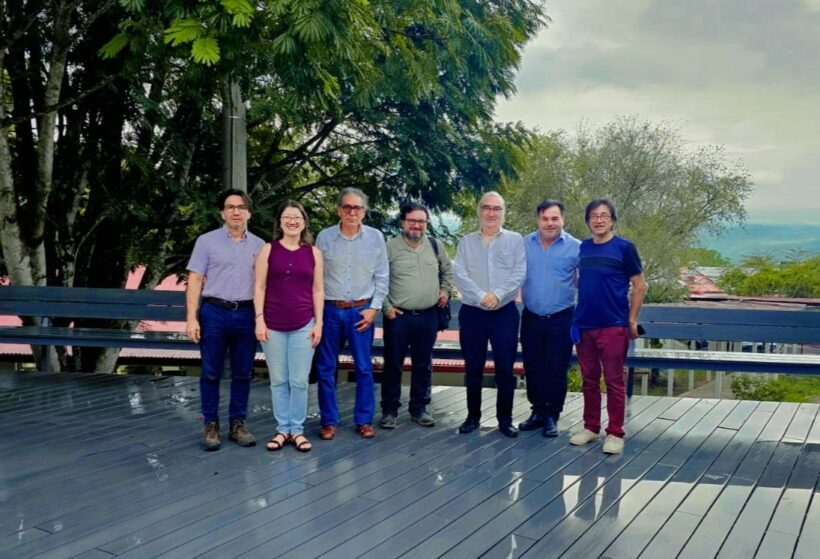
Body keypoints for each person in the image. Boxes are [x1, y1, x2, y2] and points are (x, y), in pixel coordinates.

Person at [186, 189, 265, 451]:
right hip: (214, 313)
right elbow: (195, 280)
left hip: (246, 313)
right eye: (230, 207)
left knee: (243, 372)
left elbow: (264, 285)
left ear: (249, 213)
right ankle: (211, 424)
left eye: (241, 207)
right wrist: (191, 318)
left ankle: (237, 423)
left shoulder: (260, 246)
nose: (236, 212)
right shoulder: (206, 242)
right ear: (222, 213)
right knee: (210, 372)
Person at [569, 198, 647, 454]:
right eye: (594, 215)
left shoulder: (625, 248)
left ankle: (615, 432)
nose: (599, 219)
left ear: (612, 220)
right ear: (588, 221)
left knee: (613, 381)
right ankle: (591, 428)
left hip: (613, 325)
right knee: (589, 379)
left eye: (604, 215)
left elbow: (640, 285)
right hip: (584, 324)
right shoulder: (583, 248)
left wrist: (632, 319)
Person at [314, 187, 389, 440]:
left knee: (364, 367)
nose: (352, 212)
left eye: (357, 207)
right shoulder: (324, 237)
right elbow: (317, 278)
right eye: (347, 207)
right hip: (330, 310)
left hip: (361, 311)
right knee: (326, 367)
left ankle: (364, 420)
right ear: (339, 210)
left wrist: (374, 308)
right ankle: (328, 421)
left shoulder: (375, 238)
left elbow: (382, 276)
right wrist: (318, 314)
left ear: (364, 212)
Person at [454, 191, 526, 438]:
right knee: (473, 367)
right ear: (479, 211)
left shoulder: (515, 241)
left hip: (504, 313)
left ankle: (505, 419)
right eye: (486, 207)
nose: (491, 213)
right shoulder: (466, 242)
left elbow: (519, 273)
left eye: (497, 208)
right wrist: (481, 296)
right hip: (473, 313)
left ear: (503, 213)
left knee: (505, 368)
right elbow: (460, 274)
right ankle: (472, 417)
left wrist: (497, 294)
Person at [254, 201, 324, 453]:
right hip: (272, 324)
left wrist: (319, 323)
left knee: (299, 381)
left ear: (304, 222)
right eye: (287, 216)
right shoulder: (267, 250)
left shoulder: (313, 253)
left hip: (304, 324)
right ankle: (282, 429)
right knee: (278, 380)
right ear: (280, 222)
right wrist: (259, 319)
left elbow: (318, 290)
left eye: (297, 217)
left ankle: (297, 430)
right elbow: (259, 286)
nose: (292, 221)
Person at [379, 203, 455, 429]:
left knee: (423, 364)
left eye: (421, 221)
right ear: (403, 222)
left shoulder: (435, 245)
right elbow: (378, 279)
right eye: (412, 220)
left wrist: (445, 290)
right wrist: (386, 307)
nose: (416, 225)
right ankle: (389, 410)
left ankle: (419, 408)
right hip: (398, 316)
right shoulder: (389, 247)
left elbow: (447, 271)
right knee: (393, 364)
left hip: (428, 315)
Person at [519, 200, 580, 437]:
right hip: (532, 316)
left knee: (556, 367)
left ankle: (552, 415)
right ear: (538, 220)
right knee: (533, 366)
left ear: (563, 220)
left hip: (561, 317)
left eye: (555, 218)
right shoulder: (524, 244)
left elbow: (588, 279)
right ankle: (537, 411)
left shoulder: (576, 247)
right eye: (545, 219)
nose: (550, 223)